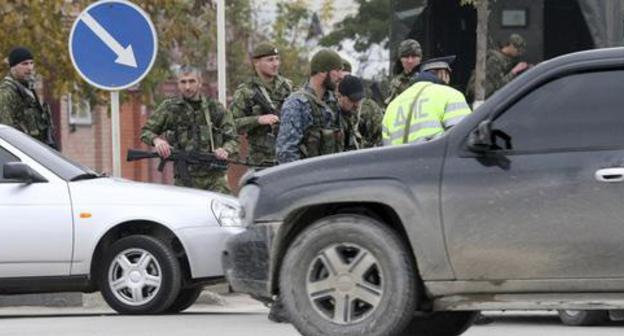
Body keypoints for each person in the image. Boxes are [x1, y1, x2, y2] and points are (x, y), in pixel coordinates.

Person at [140, 66, 238, 193]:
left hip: (214, 180)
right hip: (183, 180)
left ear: (200, 82)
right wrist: (157, 141)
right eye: (183, 82)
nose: (187, 87)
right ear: (178, 84)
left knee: (224, 210)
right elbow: (146, 131)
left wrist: (225, 150)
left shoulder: (214, 108)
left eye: (192, 81)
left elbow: (233, 139)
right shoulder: (170, 108)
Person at [383, 56, 471, 146]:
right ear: (443, 73)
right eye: (449, 73)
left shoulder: (392, 106)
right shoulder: (451, 95)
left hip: (399, 159)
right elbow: (464, 138)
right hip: (435, 158)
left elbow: (386, 148)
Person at [275, 48, 344, 164]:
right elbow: (286, 152)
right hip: (307, 177)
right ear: (322, 72)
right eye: (337, 70)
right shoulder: (296, 104)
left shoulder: (333, 102)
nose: (341, 76)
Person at [230, 42, 293, 166]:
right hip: (260, 162)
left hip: (287, 158)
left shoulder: (288, 87)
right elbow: (231, 125)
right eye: (270, 60)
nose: (275, 64)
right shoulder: (246, 91)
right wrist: (258, 120)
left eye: (277, 59)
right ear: (256, 63)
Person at [0, 47, 56, 148]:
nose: (30, 68)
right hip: (21, 152)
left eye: (31, 63)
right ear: (13, 67)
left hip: (36, 149)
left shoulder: (28, 90)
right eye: (24, 64)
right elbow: (6, 133)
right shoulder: (7, 92)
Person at [466, 34, 528, 101]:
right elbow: (498, 85)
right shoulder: (494, 60)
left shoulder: (507, 58)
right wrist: (514, 71)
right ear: (511, 46)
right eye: (518, 50)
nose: (519, 53)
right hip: (483, 97)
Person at [340, 59, 383, 149]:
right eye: (339, 79)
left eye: (346, 77)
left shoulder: (368, 107)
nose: (342, 82)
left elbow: (379, 137)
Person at [385, 38, 423, 105]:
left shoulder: (428, 79)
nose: (410, 61)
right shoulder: (395, 83)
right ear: (401, 59)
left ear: (420, 58)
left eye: (414, 56)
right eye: (406, 57)